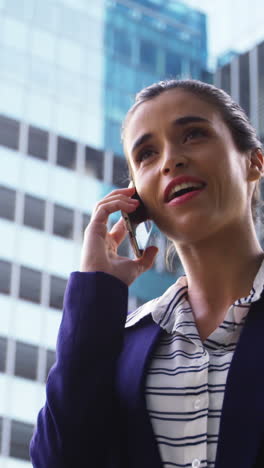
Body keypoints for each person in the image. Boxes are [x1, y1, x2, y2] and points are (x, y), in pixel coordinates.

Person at [30, 79, 264, 468]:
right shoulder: (122, 343)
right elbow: (58, 460)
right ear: (136, 201)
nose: (171, 160)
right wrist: (96, 289)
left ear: (254, 162)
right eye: (147, 154)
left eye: (193, 135)